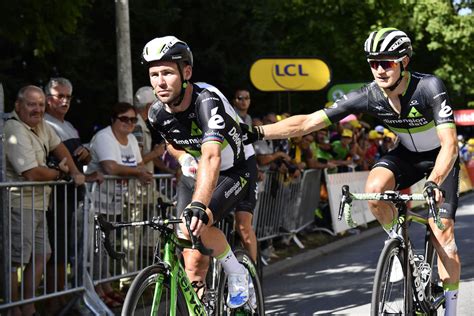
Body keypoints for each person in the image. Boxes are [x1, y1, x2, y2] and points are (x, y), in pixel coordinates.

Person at [246, 27, 460, 316]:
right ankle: (399, 246)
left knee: (444, 235)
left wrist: (434, 182)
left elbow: (450, 144)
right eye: (374, 63)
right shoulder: (368, 95)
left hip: (440, 157)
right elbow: (308, 123)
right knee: (374, 191)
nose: (379, 70)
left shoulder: (429, 87)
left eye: (387, 63)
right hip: (406, 155)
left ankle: (451, 308)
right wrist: (255, 131)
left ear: (404, 62)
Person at [142, 36, 257, 308]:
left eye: (168, 73)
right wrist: (182, 159)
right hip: (198, 170)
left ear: (187, 72)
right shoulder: (156, 113)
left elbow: (212, 155)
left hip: (234, 168)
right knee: (191, 255)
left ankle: (238, 271)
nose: (160, 81)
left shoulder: (207, 100)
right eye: (154, 74)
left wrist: (198, 204)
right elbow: (172, 142)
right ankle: (200, 306)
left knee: (205, 222)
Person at [4, 85, 85, 316]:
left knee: (43, 254)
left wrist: (73, 171)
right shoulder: (14, 128)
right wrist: (61, 174)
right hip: (20, 204)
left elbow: (58, 147)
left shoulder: (40, 125)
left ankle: (28, 306)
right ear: (18, 106)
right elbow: (31, 173)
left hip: (40, 203)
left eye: (40, 104)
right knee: (16, 261)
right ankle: (12, 310)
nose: (37, 109)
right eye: (31, 104)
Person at [43, 77, 103, 313]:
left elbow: (74, 157)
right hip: (55, 196)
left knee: (66, 250)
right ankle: (53, 300)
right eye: (60, 96)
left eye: (68, 96)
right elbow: (55, 160)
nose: (65, 101)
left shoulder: (68, 125)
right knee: (56, 251)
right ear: (48, 99)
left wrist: (85, 154)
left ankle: (65, 296)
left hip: (72, 196)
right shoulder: (45, 124)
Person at [86, 102, 153, 308]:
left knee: (106, 248)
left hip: (115, 201)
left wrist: (137, 171)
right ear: (113, 120)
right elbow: (111, 167)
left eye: (133, 119)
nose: (130, 123)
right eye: (124, 119)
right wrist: (137, 172)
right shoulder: (105, 137)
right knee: (94, 248)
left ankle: (106, 287)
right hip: (94, 202)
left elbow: (139, 164)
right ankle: (95, 290)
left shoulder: (132, 138)